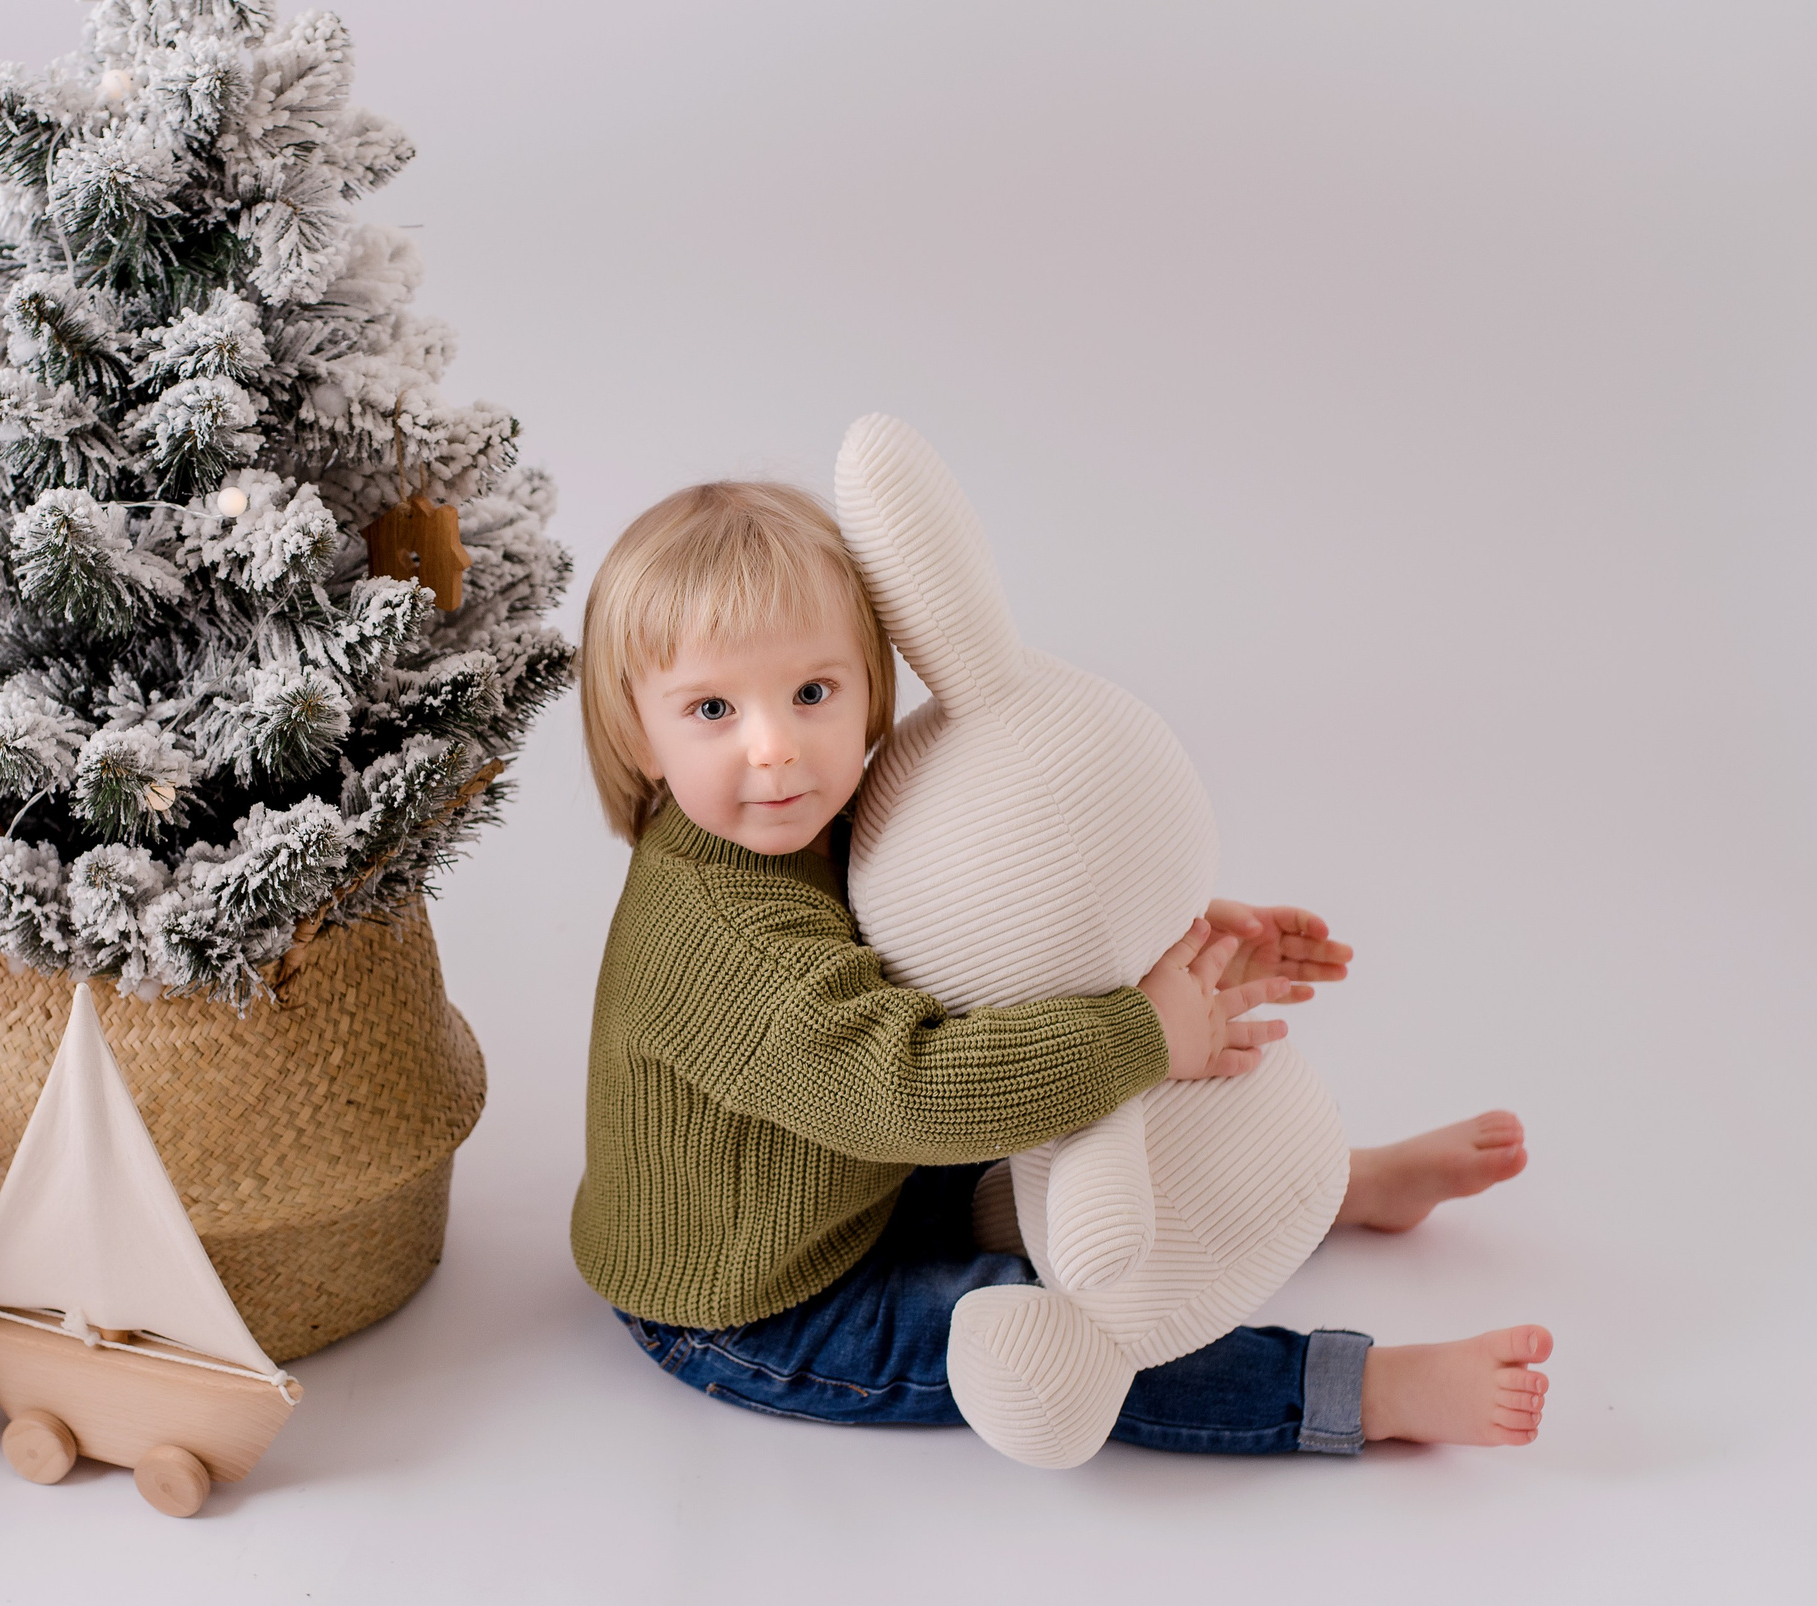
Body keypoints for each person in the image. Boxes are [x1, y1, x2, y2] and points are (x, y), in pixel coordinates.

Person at [570, 480, 1549, 1454]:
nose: (775, 748)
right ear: (635, 730)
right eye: (711, 707)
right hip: (760, 1297)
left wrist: (1155, 947)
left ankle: (1328, 1185)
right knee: (1067, 1330)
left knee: (1086, 1145)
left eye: (812, 692)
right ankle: (1354, 1389)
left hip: (860, 1181)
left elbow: (962, 927)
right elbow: (906, 1087)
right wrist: (1144, 1030)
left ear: (872, 682)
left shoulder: (808, 819)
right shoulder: (717, 930)